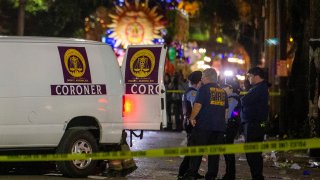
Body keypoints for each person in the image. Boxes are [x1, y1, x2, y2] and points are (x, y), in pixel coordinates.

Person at [183, 68, 229, 180]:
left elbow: (197, 105)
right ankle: (211, 176)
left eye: (203, 76)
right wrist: (222, 122)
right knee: (214, 155)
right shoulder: (223, 92)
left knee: (197, 152)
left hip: (203, 127)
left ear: (207, 77)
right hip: (218, 128)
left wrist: (192, 118)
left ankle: (192, 174)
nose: (202, 78)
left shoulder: (204, 89)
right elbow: (226, 111)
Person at [241, 67, 269, 180]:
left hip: (254, 125)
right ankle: (257, 176)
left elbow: (244, 100)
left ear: (256, 76)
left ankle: (257, 176)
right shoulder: (258, 87)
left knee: (253, 153)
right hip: (255, 124)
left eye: (249, 76)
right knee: (254, 153)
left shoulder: (259, 89)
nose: (248, 78)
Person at [178, 71, 203, 179]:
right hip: (192, 123)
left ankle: (191, 171)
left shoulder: (190, 91)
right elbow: (195, 107)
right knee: (192, 149)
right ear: (199, 81)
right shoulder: (193, 92)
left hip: (188, 122)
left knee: (193, 148)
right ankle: (184, 172)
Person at [221, 84, 241, 180]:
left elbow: (228, 115)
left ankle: (230, 174)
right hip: (231, 125)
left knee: (228, 151)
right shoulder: (232, 98)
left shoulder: (232, 99)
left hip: (230, 126)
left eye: (224, 89)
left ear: (230, 88)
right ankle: (229, 174)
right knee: (227, 151)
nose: (223, 91)